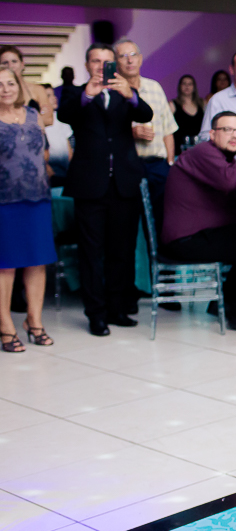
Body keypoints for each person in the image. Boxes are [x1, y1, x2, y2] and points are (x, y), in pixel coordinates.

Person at [58, 43, 155, 336]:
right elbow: (65, 115)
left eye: (107, 61)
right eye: (96, 61)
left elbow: (146, 115)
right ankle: (96, 314)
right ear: (87, 65)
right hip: (90, 184)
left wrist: (132, 97)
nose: (102, 67)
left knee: (121, 251)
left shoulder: (124, 92)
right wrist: (89, 92)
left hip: (123, 182)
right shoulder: (76, 94)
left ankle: (116, 308)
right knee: (91, 252)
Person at [160, 110, 236, 330]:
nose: (234, 136)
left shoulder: (219, 156)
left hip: (195, 233)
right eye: (227, 130)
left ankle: (223, 305)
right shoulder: (205, 151)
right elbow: (230, 181)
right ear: (212, 134)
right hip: (185, 240)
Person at [0, 67, 56, 353]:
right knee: (5, 264)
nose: (5, 88)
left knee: (37, 261)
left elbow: (43, 152)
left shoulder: (34, 116)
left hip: (37, 198)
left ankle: (34, 321)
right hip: (5, 201)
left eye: (10, 83)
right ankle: (6, 324)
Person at [116, 38, 177, 245]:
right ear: (116, 63)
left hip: (158, 166)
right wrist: (131, 132)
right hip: (128, 166)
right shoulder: (113, 92)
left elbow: (169, 129)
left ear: (140, 59)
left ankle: (163, 270)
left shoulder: (155, 87)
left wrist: (169, 163)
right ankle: (139, 275)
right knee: (129, 225)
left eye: (133, 55)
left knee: (163, 221)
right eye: (123, 56)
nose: (129, 60)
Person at [170, 74, 205, 152]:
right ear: (180, 86)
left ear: (194, 87)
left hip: (198, 150)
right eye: (184, 84)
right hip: (179, 151)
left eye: (190, 84)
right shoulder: (173, 105)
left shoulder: (202, 104)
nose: (187, 86)